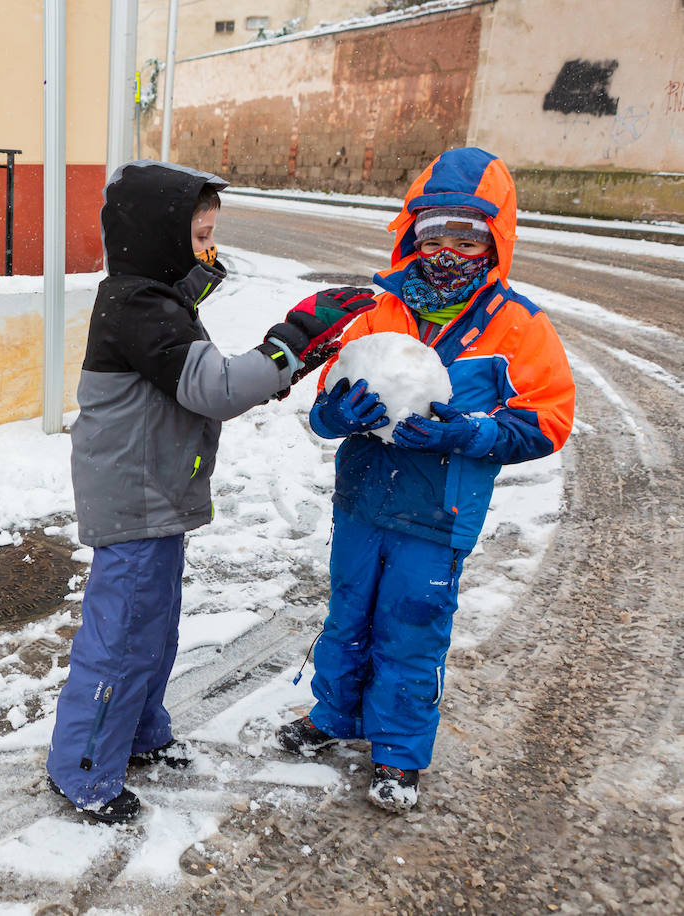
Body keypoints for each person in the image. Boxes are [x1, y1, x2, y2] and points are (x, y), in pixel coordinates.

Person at [46, 160, 377, 823]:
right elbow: (216, 389)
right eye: (198, 238)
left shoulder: (156, 299)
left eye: (210, 236)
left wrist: (294, 358)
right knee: (119, 639)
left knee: (153, 631)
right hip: (135, 500)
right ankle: (83, 770)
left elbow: (211, 378)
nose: (209, 250)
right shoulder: (140, 306)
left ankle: (138, 735)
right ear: (157, 237)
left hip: (155, 494)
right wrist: (294, 338)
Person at [276, 147, 576, 812]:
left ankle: (399, 754)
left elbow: (549, 420)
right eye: (433, 233)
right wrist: (335, 412)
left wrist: (471, 433)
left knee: (411, 630)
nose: (447, 250)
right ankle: (333, 717)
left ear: (494, 239)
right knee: (347, 618)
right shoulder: (382, 309)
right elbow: (326, 404)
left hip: (437, 515)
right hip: (362, 503)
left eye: (467, 235)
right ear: (413, 233)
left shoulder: (518, 326)